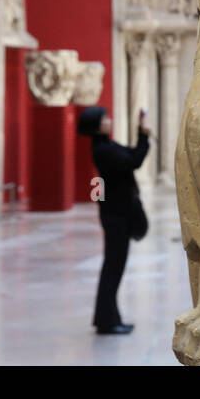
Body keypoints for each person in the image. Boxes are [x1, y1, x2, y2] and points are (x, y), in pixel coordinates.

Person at [77, 106, 152, 335]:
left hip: (117, 214)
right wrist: (144, 136)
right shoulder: (102, 150)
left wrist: (141, 134)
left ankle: (108, 319)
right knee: (113, 267)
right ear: (96, 125)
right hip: (115, 217)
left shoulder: (107, 146)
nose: (109, 121)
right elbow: (135, 161)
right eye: (104, 119)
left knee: (114, 267)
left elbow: (130, 154)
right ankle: (107, 321)